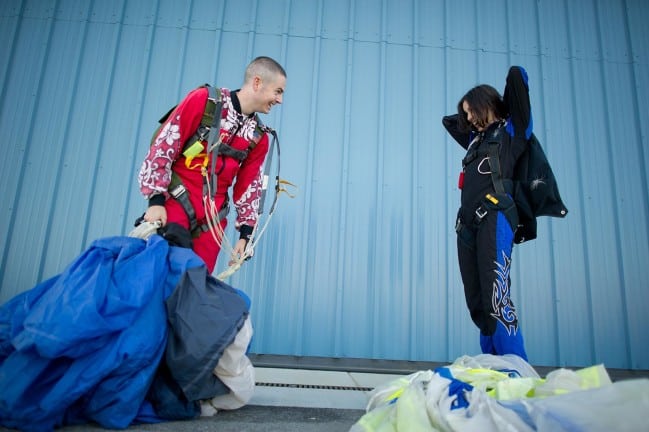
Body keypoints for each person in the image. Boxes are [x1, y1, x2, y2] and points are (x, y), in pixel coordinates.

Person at [137, 56, 287, 273]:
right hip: (175, 204)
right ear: (257, 83)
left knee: (195, 287)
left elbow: (249, 187)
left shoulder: (258, 138)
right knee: (159, 274)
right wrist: (156, 201)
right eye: (278, 91)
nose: (280, 100)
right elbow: (163, 147)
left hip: (212, 222)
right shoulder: (204, 102)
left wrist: (245, 236)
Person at [442, 66, 533, 360]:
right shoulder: (474, 141)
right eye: (466, 114)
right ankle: (492, 365)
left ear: (486, 105)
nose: (467, 119)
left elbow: (517, 79)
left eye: (471, 112)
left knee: (497, 297)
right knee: (478, 303)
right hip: (467, 226)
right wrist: (475, 117)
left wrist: (495, 110)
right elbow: (449, 122)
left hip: (496, 218)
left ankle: (515, 368)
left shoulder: (512, 132)